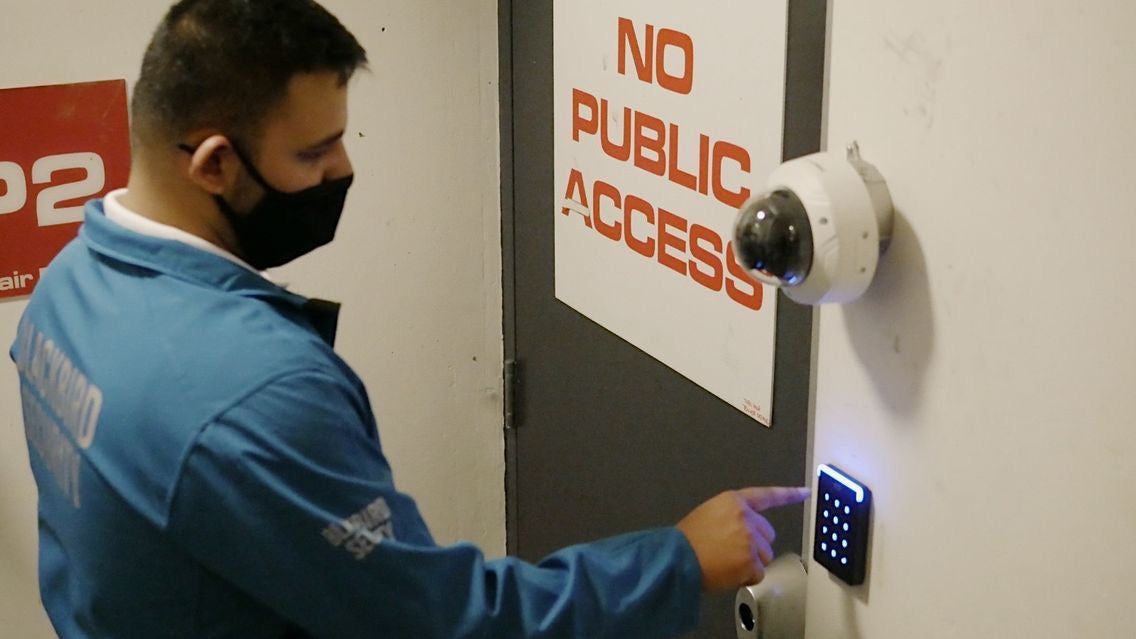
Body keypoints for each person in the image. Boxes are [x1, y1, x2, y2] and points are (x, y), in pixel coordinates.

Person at [9, 1, 810, 637]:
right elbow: (443, 621)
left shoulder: (72, 282)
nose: (344, 168)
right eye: (315, 153)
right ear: (215, 162)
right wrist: (676, 561)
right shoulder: (252, 391)